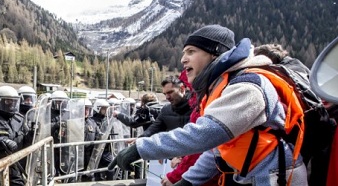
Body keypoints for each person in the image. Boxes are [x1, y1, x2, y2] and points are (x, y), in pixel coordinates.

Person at [109, 25, 308, 185]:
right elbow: (217, 149)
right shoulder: (222, 87)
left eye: (191, 51)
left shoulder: (248, 86)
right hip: (253, 176)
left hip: (277, 178)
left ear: (214, 53)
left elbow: (205, 134)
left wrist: (141, 148)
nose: (182, 58)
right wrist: (187, 180)